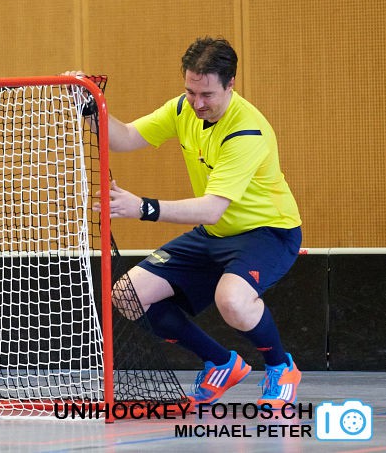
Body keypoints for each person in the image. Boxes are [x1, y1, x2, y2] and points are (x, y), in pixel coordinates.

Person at [70, 37, 302, 408]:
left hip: (267, 232)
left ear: (230, 84)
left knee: (232, 300)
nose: (197, 103)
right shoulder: (183, 109)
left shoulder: (246, 132)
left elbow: (211, 209)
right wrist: (88, 105)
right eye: (191, 92)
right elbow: (125, 138)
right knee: (129, 295)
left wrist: (142, 208)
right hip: (215, 234)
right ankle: (221, 363)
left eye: (207, 94)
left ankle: (281, 366)